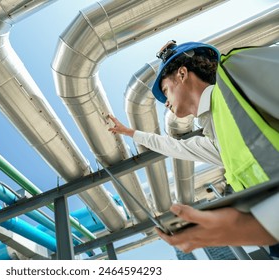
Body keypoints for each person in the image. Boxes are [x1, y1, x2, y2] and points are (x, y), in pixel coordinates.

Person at [108, 40, 279, 255]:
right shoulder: (218, 139)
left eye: (165, 90)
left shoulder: (236, 71)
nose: (166, 103)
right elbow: (173, 147)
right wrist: (131, 133)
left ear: (181, 74)